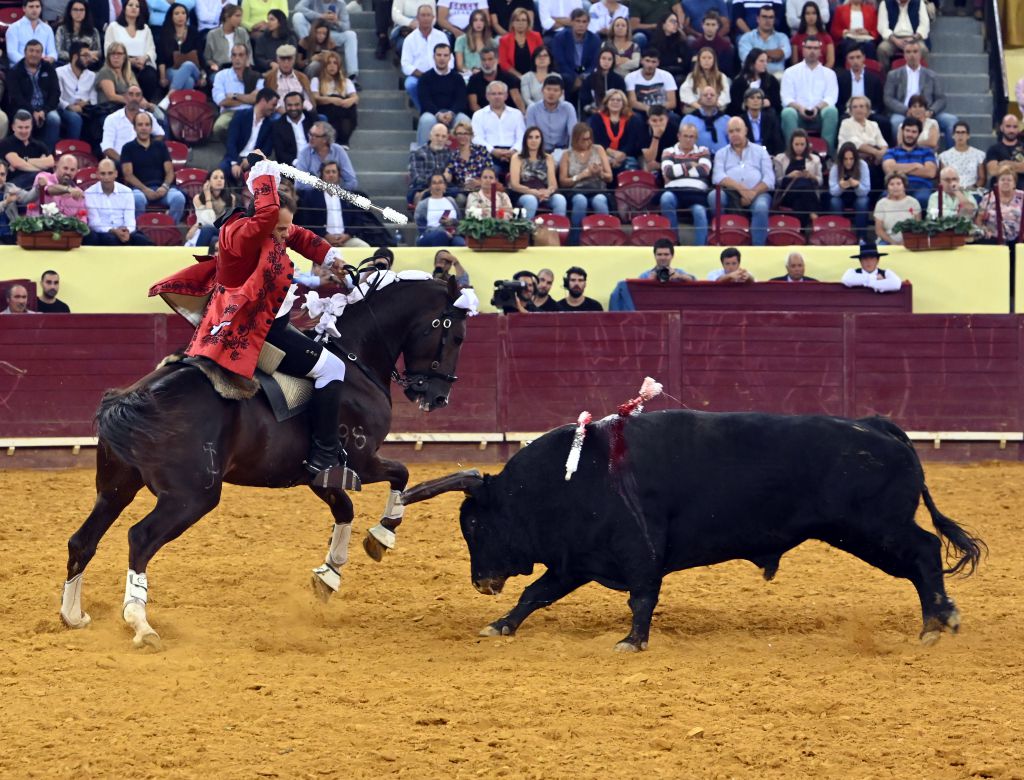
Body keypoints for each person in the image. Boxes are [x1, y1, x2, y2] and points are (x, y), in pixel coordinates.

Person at [166, 153, 349, 484]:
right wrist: (264, 173)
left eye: (284, 229)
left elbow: (298, 235)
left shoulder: (259, 229)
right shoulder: (246, 234)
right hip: (258, 331)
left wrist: (331, 257)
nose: (283, 236)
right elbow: (270, 215)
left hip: (265, 323)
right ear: (263, 221)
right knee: (333, 367)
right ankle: (324, 454)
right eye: (278, 230)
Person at [710, 117, 775, 245]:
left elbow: (769, 179)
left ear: (745, 130)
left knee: (761, 207)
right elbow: (717, 177)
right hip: (730, 193)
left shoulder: (761, 151)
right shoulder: (721, 153)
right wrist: (741, 189)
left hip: (758, 194)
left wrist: (752, 193)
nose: (734, 134)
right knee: (714, 197)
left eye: (738, 130)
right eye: (731, 131)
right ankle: (723, 238)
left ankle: (758, 248)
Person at [883, 41, 956, 148]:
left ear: (920, 54)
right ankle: (899, 153)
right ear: (904, 55)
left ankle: (950, 155)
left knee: (951, 121)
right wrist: (906, 110)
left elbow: (941, 99)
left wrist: (930, 111)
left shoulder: (932, 75)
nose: (912, 55)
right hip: (904, 112)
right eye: (908, 52)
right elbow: (888, 98)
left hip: (927, 112)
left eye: (915, 51)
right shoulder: (893, 75)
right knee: (895, 123)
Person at [121, 112, 187, 222]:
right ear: (134, 127)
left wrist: (164, 187)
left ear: (151, 128)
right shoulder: (128, 148)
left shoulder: (160, 146)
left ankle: (169, 228)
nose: (144, 128)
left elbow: (170, 171)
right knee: (137, 199)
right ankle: (141, 232)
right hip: (140, 190)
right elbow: (128, 175)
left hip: (162, 189)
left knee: (178, 198)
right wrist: (145, 190)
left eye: (147, 125)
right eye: (140, 125)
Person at [779, 35, 838, 156]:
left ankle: (827, 155)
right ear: (803, 49)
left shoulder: (829, 74)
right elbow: (786, 97)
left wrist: (817, 108)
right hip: (798, 114)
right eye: (809, 47)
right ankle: (792, 155)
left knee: (832, 111)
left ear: (820, 51)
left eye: (816, 48)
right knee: (787, 112)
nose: (812, 51)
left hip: (820, 114)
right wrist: (801, 108)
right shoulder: (790, 72)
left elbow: (831, 97)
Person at [296, 160, 373, 248]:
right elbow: (309, 220)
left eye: (334, 172)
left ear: (339, 175)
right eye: (327, 172)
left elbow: (357, 220)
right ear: (322, 175)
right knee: (319, 247)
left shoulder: (349, 195)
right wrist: (326, 235)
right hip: (322, 238)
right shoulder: (312, 196)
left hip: (346, 238)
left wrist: (347, 235)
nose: (331, 174)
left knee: (364, 247)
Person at [558, 122, 613, 244]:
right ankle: (575, 240)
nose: (587, 142)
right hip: (576, 190)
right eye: (583, 140)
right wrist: (582, 176)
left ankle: (604, 239)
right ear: (575, 139)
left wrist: (600, 173)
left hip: (597, 189)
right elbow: (563, 181)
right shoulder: (567, 154)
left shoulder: (598, 149)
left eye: (589, 139)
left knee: (599, 201)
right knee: (580, 201)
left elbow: (610, 177)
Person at [659, 122, 711, 244]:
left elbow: (704, 171)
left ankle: (700, 249)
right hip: (674, 191)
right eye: (685, 136)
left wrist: (679, 170)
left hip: (696, 193)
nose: (688, 139)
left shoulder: (703, 151)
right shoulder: (668, 151)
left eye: (691, 136)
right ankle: (672, 243)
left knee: (700, 212)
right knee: (665, 198)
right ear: (679, 136)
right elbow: (668, 172)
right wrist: (689, 165)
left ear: (696, 138)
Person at [7, 40, 61, 152]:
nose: (34, 54)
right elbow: (16, 97)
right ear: (25, 52)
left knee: (54, 119)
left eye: (37, 51)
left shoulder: (49, 68)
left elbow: (55, 93)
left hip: (45, 108)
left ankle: (48, 154)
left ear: (42, 54)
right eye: (31, 51)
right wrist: (32, 111)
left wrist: (44, 111)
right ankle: (24, 152)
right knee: (24, 118)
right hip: (24, 107)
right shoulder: (15, 71)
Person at [84, 158, 154, 245]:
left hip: (125, 231)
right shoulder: (89, 193)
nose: (106, 177)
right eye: (103, 174)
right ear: (97, 174)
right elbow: (94, 223)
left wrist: (126, 231)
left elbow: (130, 220)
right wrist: (114, 231)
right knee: (111, 240)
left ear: (116, 174)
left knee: (144, 241)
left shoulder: (127, 192)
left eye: (110, 173)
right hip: (104, 233)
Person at [291, 0, 360, 85]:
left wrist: (336, 22)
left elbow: (346, 27)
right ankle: (309, 50)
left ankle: (352, 76)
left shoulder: (340, 3)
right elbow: (298, 8)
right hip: (312, 32)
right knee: (297, 16)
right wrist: (321, 16)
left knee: (351, 34)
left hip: (330, 34)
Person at [104, 0, 160, 101]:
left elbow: (151, 50)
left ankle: (145, 105)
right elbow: (108, 50)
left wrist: (144, 58)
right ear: (124, 8)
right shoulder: (113, 27)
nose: (134, 8)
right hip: (121, 64)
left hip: (142, 63)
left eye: (137, 6)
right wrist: (129, 61)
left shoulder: (145, 28)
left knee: (150, 75)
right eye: (130, 5)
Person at [417, 43, 471, 146]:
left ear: (450, 57)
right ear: (434, 56)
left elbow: (461, 100)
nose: (442, 58)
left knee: (465, 120)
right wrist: (438, 114)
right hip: (432, 113)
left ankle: (465, 155)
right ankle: (422, 154)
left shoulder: (457, 78)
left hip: (453, 113)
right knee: (426, 120)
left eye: (445, 55)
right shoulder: (425, 78)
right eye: (439, 55)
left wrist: (451, 113)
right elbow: (425, 101)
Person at [509, 126, 568, 218]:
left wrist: (547, 192)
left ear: (541, 140)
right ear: (525, 140)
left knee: (560, 200)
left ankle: (557, 231)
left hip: (543, 194)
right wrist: (535, 192)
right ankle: (526, 231)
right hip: (524, 193)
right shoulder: (517, 157)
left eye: (537, 137)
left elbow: (553, 184)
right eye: (530, 137)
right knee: (531, 200)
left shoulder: (548, 158)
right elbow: (514, 184)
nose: (534, 140)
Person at [471, 80, 526, 176]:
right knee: (490, 173)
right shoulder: (478, 115)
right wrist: (493, 150)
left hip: (514, 153)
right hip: (488, 154)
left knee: (521, 174)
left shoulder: (516, 114)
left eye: (500, 93)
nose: (497, 97)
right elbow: (476, 138)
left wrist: (513, 151)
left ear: (506, 96)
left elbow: (522, 137)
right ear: (487, 96)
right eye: (493, 94)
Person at [402, 5, 450, 112]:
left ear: (433, 18)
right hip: (418, 76)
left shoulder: (441, 36)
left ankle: (443, 112)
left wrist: (440, 73)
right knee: (410, 84)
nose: (426, 18)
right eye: (423, 15)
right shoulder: (410, 39)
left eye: (429, 15)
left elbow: (450, 59)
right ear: (417, 18)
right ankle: (424, 111)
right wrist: (423, 75)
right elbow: (405, 64)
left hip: (440, 74)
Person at [882, 116, 937, 211]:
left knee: (922, 199)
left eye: (914, 132)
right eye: (907, 130)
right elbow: (889, 169)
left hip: (921, 186)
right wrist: (915, 165)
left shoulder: (927, 152)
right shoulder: (891, 152)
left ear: (919, 134)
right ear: (902, 131)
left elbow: (930, 172)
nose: (910, 134)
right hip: (896, 185)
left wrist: (899, 170)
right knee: (883, 199)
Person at [211, 44, 265, 139]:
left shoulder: (257, 76)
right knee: (218, 128)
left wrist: (234, 96)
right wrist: (248, 98)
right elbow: (222, 101)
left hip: (249, 112)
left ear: (247, 57)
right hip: (229, 112)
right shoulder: (221, 75)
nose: (237, 58)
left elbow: (257, 98)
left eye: (241, 55)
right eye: (234, 55)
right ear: (231, 57)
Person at [101, 85, 166, 162]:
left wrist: (149, 149)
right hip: (119, 162)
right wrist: (125, 161)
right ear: (125, 97)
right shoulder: (112, 119)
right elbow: (107, 148)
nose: (134, 98)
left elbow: (161, 134)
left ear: (141, 98)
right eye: (131, 94)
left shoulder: (148, 116)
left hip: (143, 162)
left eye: (137, 95)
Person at [772, 128, 822, 226]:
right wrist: (789, 176)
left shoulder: (815, 159)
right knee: (802, 182)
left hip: (803, 196)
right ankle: (813, 213)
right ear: (791, 144)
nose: (799, 148)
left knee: (800, 200)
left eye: (802, 144)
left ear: (806, 145)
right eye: (796, 144)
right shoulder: (780, 158)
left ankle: (800, 232)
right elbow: (777, 182)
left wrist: (811, 176)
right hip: (787, 194)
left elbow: (820, 181)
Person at [588, 88, 645, 171]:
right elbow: (596, 140)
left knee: (631, 166)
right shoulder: (597, 118)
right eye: (612, 100)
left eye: (619, 100)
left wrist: (622, 154)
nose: (615, 102)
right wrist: (612, 154)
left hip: (627, 156)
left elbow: (633, 142)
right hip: (603, 154)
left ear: (623, 103)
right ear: (606, 103)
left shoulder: (633, 119)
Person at [309, 50, 359, 146]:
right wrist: (332, 100)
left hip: (341, 106)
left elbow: (355, 97)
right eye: (329, 63)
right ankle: (335, 140)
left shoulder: (346, 81)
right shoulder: (316, 80)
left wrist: (349, 101)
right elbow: (315, 98)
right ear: (324, 65)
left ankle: (344, 140)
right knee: (335, 102)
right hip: (325, 107)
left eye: (335, 63)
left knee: (351, 108)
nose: (332, 66)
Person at [551, 8, 601, 101]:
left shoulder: (594, 39)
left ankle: (587, 110)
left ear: (588, 23)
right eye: (578, 21)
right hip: (566, 71)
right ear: (571, 22)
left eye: (584, 22)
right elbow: (560, 62)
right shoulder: (560, 38)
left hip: (584, 72)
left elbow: (593, 63)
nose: (581, 25)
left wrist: (581, 76)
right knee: (567, 78)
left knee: (593, 78)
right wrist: (575, 76)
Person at [294, 121, 358, 189]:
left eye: (316, 136)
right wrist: (323, 189)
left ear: (325, 139)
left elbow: (351, 181)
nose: (311, 138)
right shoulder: (304, 152)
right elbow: (299, 184)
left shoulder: (339, 151)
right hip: (312, 195)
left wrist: (338, 192)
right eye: (310, 134)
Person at [0, 111, 56, 189]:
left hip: (36, 186)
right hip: (13, 185)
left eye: (27, 127)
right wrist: (40, 168)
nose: (23, 131)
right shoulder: (6, 143)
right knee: (41, 177)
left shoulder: (39, 145)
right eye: (20, 127)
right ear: (13, 127)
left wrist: (24, 160)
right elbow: (17, 163)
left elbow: (50, 162)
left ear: (31, 127)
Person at [157, 3, 205, 93]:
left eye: (183, 13)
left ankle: (169, 96)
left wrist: (203, 76)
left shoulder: (193, 31)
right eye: (177, 13)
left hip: (194, 70)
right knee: (188, 81)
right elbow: (161, 59)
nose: (181, 16)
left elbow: (200, 56)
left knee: (188, 64)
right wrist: (162, 77)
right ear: (171, 16)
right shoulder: (165, 33)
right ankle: (184, 105)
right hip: (172, 70)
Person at [525, 75, 577, 155]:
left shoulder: (568, 108)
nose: (551, 93)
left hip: (563, 150)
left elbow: (573, 133)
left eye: (556, 90)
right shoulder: (533, 109)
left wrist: (570, 154)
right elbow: (530, 134)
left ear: (561, 93)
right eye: (548, 89)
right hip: (540, 151)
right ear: (542, 91)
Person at [57, 42, 97, 142]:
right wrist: (69, 106)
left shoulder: (92, 76)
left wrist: (86, 103)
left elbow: (94, 98)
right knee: (75, 119)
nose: (89, 59)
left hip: (85, 109)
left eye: (90, 55)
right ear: (75, 57)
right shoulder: (60, 72)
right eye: (85, 56)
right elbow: (57, 97)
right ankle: (72, 151)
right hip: (64, 109)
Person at [467, 45, 526, 113]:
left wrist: (523, 115)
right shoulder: (474, 80)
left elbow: (517, 99)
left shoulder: (508, 77)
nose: (487, 63)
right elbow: (473, 105)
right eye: (484, 60)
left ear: (497, 60)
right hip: (484, 117)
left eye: (490, 59)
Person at [829, 142, 871, 236]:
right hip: (841, 196)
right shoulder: (836, 167)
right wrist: (840, 187)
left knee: (863, 202)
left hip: (857, 196)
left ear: (855, 158)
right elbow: (832, 192)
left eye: (851, 159)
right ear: (841, 159)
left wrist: (857, 186)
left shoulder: (862, 165)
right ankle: (838, 235)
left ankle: (862, 237)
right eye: (845, 159)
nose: (848, 162)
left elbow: (866, 190)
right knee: (834, 201)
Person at [835, 46, 883, 127]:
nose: (855, 61)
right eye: (851, 58)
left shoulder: (874, 79)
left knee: (883, 122)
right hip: (848, 113)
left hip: (869, 113)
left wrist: (869, 112)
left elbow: (879, 103)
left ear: (864, 58)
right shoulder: (841, 79)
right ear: (847, 59)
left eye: (858, 57)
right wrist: (850, 111)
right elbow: (838, 102)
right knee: (842, 120)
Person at [975, 164, 1024, 242]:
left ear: (1014, 184)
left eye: (1009, 180)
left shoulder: (1022, 196)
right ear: (997, 183)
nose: (1006, 182)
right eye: (1003, 180)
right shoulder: (987, 198)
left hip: (1019, 239)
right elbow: (978, 220)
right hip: (992, 238)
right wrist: (984, 231)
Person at [837, 95, 887, 172]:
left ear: (867, 109)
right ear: (850, 110)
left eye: (861, 106)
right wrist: (876, 153)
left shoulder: (874, 124)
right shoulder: (846, 123)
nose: (858, 109)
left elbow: (882, 143)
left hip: (874, 160)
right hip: (853, 162)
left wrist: (881, 153)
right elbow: (856, 144)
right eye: (855, 107)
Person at [187, 168, 236, 247]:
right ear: (208, 182)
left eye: (222, 178)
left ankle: (199, 256)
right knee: (212, 237)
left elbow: (229, 222)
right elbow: (209, 221)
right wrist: (208, 197)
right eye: (215, 177)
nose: (219, 180)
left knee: (211, 233)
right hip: (204, 230)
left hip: (223, 231)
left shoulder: (231, 198)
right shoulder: (199, 198)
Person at [263, 45, 317, 116]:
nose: (286, 62)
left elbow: (307, 98)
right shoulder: (269, 77)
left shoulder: (302, 77)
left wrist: (307, 109)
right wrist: (280, 109)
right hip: (279, 112)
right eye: (283, 59)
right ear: (277, 60)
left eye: (289, 59)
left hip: (300, 111)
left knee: (321, 118)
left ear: (294, 59)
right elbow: (267, 99)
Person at [415, 173, 467, 246]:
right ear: (430, 187)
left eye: (440, 182)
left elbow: (459, 222)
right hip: (430, 235)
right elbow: (421, 228)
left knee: (460, 243)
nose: (437, 186)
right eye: (434, 183)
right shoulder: (423, 204)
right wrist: (442, 231)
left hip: (453, 234)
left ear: (445, 186)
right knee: (441, 236)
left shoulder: (451, 200)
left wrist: (453, 222)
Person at [876, 0, 929, 71]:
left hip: (913, 37)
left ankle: (921, 75)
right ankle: (885, 76)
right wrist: (895, 40)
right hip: (893, 38)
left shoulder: (919, 2)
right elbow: (882, 27)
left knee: (923, 49)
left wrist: (914, 38)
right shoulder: (885, 3)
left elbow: (924, 25)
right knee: (882, 49)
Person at [409, 123, 455, 205]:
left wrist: (449, 175)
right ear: (430, 136)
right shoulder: (418, 153)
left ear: (447, 138)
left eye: (443, 136)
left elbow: (452, 176)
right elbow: (417, 179)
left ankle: (449, 217)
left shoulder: (450, 154)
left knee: (458, 195)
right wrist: (435, 183)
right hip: (423, 188)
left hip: (445, 190)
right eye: (437, 135)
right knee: (419, 195)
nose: (440, 139)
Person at [736, 5, 789, 75]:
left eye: (771, 17)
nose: (767, 20)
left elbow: (782, 54)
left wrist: (757, 55)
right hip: (752, 75)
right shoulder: (746, 38)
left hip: (777, 76)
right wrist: (773, 57)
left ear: (774, 20)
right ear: (758, 19)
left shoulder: (782, 37)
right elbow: (748, 60)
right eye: (764, 17)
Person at [625, 48, 678, 117]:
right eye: (647, 61)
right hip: (640, 111)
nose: (650, 65)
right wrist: (648, 109)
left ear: (658, 63)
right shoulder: (631, 77)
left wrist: (655, 110)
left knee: (673, 117)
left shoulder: (667, 76)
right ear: (641, 61)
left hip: (662, 110)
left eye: (653, 62)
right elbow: (632, 102)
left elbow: (672, 103)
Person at [445, 120, 493, 197]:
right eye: (459, 134)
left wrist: (479, 183)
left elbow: (491, 174)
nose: (462, 136)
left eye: (466, 134)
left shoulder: (482, 151)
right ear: (455, 136)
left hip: (483, 188)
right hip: (464, 191)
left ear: (471, 135)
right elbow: (448, 174)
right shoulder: (453, 156)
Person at [939, 122, 986, 198]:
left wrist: (972, 188)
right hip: (951, 191)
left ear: (968, 136)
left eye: (963, 132)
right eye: (957, 132)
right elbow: (944, 179)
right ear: (953, 136)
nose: (960, 135)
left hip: (972, 191)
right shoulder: (945, 156)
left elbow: (982, 178)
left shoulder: (979, 154)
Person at [729, 47, 781, 115]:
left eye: (766, 61)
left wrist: (769, 102)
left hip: (766, 114)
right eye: (761, 61)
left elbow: (777, 101)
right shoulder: (739, 82)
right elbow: (735, 104)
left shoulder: (771, 80)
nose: (765, 64)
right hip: (744, 115)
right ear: (752, 63)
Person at [873, 171, 920, 245]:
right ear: (887, 187)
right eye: (891, 184)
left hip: (909, 239)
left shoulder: (913, 202)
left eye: (898, 184)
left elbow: (918, 227)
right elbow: (879, 230)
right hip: (887, 240)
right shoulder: (881, 204)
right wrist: (893, 242)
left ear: (904, 186)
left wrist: (905, 241)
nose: (895, 187)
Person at [7, 0, 58, 66]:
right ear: (24, 8)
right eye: (31, 7)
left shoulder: (47, 29)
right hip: (20, 68)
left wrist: (50, 58)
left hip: (43, 67)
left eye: (37, 7)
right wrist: (30, 62)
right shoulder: (14, 28)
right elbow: (11, 53)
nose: (34, 10)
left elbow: (52, 52)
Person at [579, 46, 628, 116]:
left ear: (613, 61)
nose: (606, 62)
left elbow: (623, 100)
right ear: (598, 59)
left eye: (609, 59)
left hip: (614, 113)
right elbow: (584, 100)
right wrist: (592, 110)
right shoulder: (589, 79)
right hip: (594, 113)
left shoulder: (618, 80)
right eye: (603, 58)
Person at [679, 46, 730, 112]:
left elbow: (725, 95)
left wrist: (716, 105)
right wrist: (699, 107)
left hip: (716, 109)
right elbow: (686, 93)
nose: (706, 60)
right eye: (703, 58)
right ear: (699, 60)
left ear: (714, 60)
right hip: (696, 109)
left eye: (709, 58)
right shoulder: (692, 76)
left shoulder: (721, 76)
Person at [271, 91, 316, 165]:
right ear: (284, 105)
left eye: (297, 104)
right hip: (293, 166)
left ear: (302, 104)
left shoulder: (312, 118)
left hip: (315, 162)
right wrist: (297, 163)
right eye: (289, 105)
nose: (293, 108)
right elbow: (280, 153)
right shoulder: (278, 125)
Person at [680, 84, 728, 153]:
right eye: (705, 95)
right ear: (700, 99)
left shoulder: (727, 120)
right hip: (696, 159)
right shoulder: (688, 120)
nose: (709, 97)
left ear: (717, 98)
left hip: (723, 160)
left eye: (712, 95)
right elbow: (682, 141)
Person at [0, 161, 38, 243]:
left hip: (11, 234)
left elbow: (27, 198)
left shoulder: (10, 187)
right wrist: (6, 202)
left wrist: (39, 187)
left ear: (6, 176)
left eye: (2, 174)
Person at [499, 8, 542, 78]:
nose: (520, 23)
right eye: (517, 20)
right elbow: (504, 64)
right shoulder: (504, 40)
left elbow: (541, 56)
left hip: (534, 75)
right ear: (512, 23)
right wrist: (519, 76)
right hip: (513, 76)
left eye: (523, 20)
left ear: (528, 23)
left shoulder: (536, 36)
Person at [984, 114, 1024, 190]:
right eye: (1008, 126)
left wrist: (1005, 163)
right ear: (1002, 127)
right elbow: (993, 171)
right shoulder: (993, 149)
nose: (1011, 130)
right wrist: (1019, 166)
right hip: (999, 191)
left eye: (1015, 127)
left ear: (1018, 129)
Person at [790, 0, 835, 68]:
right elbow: (795, 62)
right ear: (803, 16)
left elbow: (830, 61)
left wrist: (821, 73)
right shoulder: (796, 38)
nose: (811, 16)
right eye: (807, 13)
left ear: (818, 15)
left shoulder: (826, 37)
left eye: (814, 13)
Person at [739, 86, 782, 154]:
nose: (755, 100)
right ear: (746, 102)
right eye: (752, 98)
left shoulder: (771, 119)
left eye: (758, 98)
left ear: (762, 102)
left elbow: (777, 142)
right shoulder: (740, 121)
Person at [55, 0, 101, 65]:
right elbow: (58, 52)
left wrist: (87, 56)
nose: (78, 13)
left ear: (86, 12)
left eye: (81, 10)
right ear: (70, 12)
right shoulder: (61, 30)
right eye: (75, 10)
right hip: (67, 65)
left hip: (89, 65)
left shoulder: (93, 31)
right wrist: (79, 56)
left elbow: (98, 52)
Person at [650, 12, 691, 85]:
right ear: (663, 24)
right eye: (672, 21)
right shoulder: (654, 42)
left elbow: (686, 62)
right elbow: (657, 62)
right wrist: (676, 60)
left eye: (676, 22)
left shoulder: (681, 41)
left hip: (678, 74)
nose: (675, 24)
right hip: (660, 74)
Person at [639, 103, 679, 173]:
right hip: (650, 161)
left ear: (667, 119)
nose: (658, 124)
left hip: (668, 162)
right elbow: (649, 159)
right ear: (648, 121)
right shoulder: (643, 130)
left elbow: (679, 155)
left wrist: (660, 165)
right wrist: (656, 136)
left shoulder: (674, 129)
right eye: (654, 121)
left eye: (661, 120)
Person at [456, 9, 494, 77]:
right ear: (471, 23)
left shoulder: (492, 42)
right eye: (475, 20)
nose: (478, 23)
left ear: (485, 23)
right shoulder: (461, 40)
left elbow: (495, 64)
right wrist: (470, 71)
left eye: (481, 20)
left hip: (487, 75)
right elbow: (460, 65)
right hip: (468, 76)